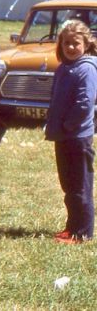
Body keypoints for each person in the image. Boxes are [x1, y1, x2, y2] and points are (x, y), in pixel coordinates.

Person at [45, 19, 97, 244]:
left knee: (80, 185)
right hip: (63, 136)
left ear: (86, 44)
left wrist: (68, 124)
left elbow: (85, 103)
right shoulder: (64, 68)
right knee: (68, 185)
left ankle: (82, 232)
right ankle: (72, 226)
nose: (71, 47)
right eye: (66, 43)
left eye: (76, 43)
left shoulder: (86, 68)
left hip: (77, 137)